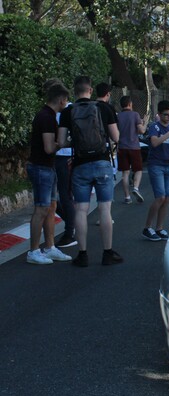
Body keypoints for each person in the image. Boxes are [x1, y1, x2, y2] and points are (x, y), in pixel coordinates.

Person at [57, 75, 123, 267]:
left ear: (74, 91)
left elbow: (61, 142)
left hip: (80, 166)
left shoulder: (68, 112)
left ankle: (83, 254)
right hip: (102, 163)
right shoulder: (104, 108)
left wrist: (75, 143)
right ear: (91, 90)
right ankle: (107, 252)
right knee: (104, 208)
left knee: (81, 209)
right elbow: (116, 137)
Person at [25, 83, 73, 264]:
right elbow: (48, 147)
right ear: (61, 100)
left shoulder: (48, 115)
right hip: (41, 167)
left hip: (47, 167)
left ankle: (50, 247)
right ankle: (33, 251)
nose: (66, 103)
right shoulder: (46, 117)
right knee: (42, 208)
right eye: (66, 100)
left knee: (51, 207)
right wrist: (64, 142)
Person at [42, 78, 77, 248]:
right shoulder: (62, 110)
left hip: (64, 156)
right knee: (56, 198)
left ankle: (71, 230)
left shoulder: (67, 110)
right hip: (59, 156)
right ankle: (73, 224)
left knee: (63, 195)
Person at [143, 100, 169, 241]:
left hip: (168, 165)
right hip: (156, 165)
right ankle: (147, 227)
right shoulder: (154, 127)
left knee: (167, 198)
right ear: (159, 114)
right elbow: (154, 143)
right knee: (160, 197)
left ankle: (159, 228)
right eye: (166, 115)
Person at [117, 95, 146, 204]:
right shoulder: (135, 115)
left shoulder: (118, 116)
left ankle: (127, 197)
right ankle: (136, 187)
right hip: (134, 146)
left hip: (122, 147)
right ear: (130, 104)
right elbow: (141, 131)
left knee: (125, 173)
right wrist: (145, 122)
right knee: (138, 169)